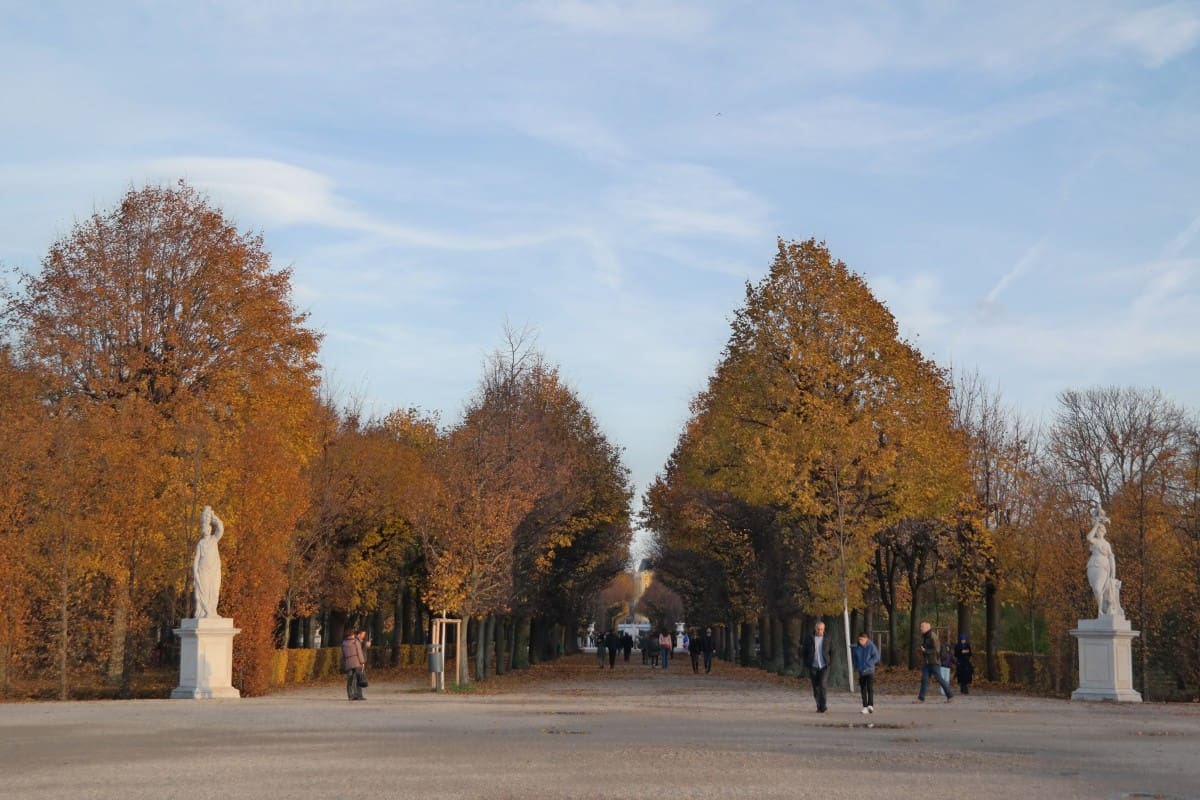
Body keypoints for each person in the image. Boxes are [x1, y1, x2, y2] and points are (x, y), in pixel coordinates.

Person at [1086, 506, 1124, 616]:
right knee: (1095, 589)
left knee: (1098, 588)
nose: (1099, 532)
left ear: (1104, 532)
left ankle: (1100, 610)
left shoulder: (1106, 544)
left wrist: (1113, 572)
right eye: (1098, 530)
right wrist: (1096, 524)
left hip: (1103, 566)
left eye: (1101, 530)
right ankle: (1100, 610)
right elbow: (1088, 537)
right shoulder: (1094, 541)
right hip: (1092, 565)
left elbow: (1111, 557)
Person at [192, 506, 224, 618]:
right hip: (203, 571)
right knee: (203, 592)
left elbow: (220, 528)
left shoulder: (214, 539)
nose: (205, 530)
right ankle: (202, 612)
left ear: (210, 529)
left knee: (214, 591)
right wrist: (195, 572)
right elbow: (196, 559)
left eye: (207, 528)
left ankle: (212, 612)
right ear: (202, 530)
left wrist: (214, 518)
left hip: (214, 571)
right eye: (203, 528)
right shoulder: (200, 543)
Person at [917, 621, 953, 703]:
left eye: (922, 627)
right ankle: (921, 699)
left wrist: (925, 651)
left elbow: (937, 650)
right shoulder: (926, 636)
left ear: (927, 628)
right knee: (924, 680)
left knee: (940, 679)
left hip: (934, 662)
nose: (920, 628)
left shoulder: (933, 636)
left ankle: (950, 696)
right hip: (927, 662)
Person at [801, 621, 833, 713]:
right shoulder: (809, 638)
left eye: (821, 629)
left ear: (824, 629)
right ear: (815, 629)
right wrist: (806, 662)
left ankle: (823, 706)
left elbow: (832, 651)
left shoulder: (828, 638)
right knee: (816, 687)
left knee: (822, 685)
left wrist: (830, 662)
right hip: (813, 666)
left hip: (824, 665)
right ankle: (819, 705)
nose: (820, 631)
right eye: (818, 629)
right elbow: (804, 651)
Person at [852, 632, 881, 714]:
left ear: (866, 639)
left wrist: (869, 664)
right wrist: (856, 667)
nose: (860, 641)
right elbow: (855, 658)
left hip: (869, 670)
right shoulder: (856, 647)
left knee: (869, 688)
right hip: (861, 671)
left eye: (862, 639)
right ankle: (864, 706)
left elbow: (876, 657)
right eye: (859, 639)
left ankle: (870, 705)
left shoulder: (871, 646)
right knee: (863, 688)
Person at [341, 628, 366, 701]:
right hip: (356, 662)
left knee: (350, 680)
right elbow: (359, 652)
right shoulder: (355, 642)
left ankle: (350, 696)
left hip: (348, 663)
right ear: (352, 634)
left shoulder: (343, 643)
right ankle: (359, 695)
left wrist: (344, 662)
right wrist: (362, 662)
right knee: (358, 679)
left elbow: (342, 655)